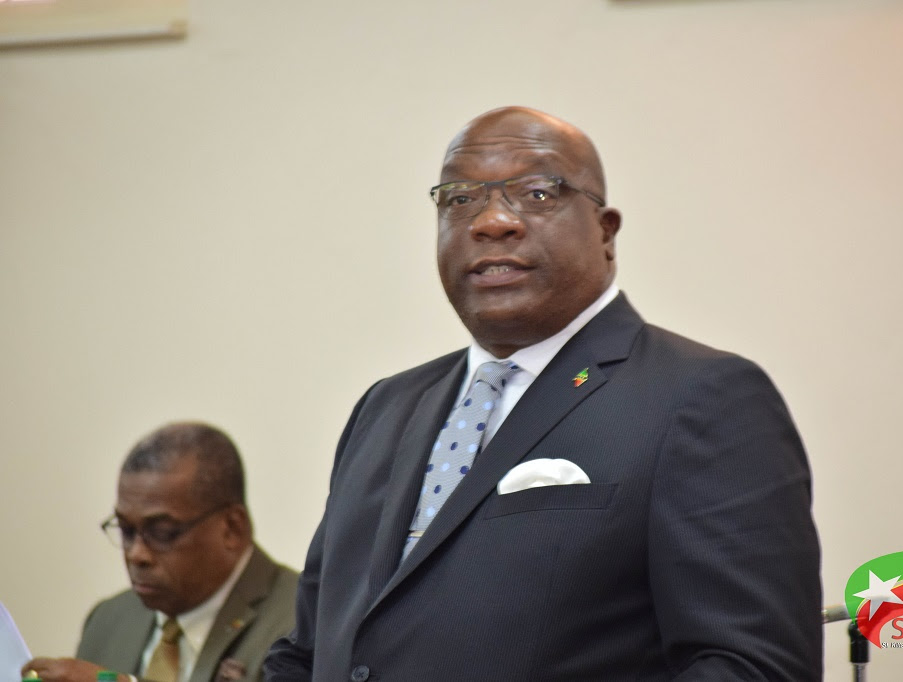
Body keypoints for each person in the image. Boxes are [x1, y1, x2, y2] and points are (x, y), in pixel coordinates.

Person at [264, 106, 822, 681]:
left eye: (537, 193)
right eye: (460, 198)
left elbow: (752, 666)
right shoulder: (386, 407)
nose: (492, 221)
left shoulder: (701, 396)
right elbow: (307, 651)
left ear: (606, 232)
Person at [23, 422, 299, 682]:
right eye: (125, 530)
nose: (136, 554)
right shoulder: (109, 620)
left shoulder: (303, 623)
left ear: (231, 528)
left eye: (162, 532)